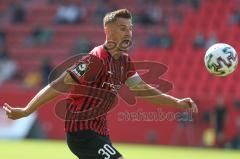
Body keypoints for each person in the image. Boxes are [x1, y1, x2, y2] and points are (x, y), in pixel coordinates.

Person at [3, 9, 198, 159]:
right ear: (108, 31)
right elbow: (60, 83)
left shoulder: (124, 61)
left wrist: (177, 103)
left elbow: (143, 90)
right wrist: (27, 110)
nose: (129, 33)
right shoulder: (95, 60)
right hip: (81, 132)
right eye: (123, 28)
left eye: (130, 28)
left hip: (100, 133)